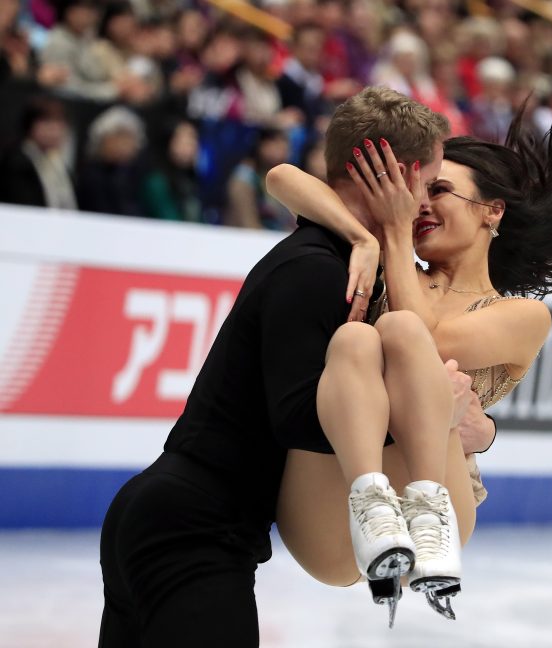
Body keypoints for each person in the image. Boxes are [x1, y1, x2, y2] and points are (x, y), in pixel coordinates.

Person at [97, 87, 483, 647]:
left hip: (180, 520)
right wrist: (419, 415)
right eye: (425, 185)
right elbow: (297, 418)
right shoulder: (319, 270)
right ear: (396, 175)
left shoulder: (327, 255)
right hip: (193, 530)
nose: (424, 204)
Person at [266, 105, 552, 622]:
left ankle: (425, 507)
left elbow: (427, 339)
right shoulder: (385, 261)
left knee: (398, 330)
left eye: (439, 191)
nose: (419, 206)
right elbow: (281, 177)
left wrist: (388, 234)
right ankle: (372, 505)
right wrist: (366, 235)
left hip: (437, 516)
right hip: (329, 510)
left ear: (492, 211)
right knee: (359, 342)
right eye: (419, 190)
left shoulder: (522, 314)